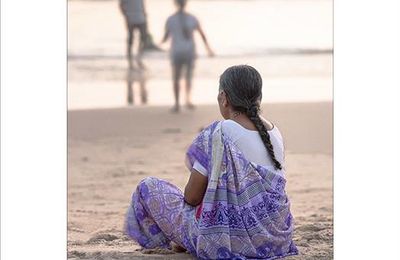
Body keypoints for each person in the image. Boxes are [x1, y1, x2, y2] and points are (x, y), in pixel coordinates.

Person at [125, 65, 298, 259]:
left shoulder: (220, 133)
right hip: (274, 240)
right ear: (259, 97)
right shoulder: (275, 133)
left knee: (147, 187)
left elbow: (191, 197)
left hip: (229, 241)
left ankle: (170, 243)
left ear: (224, 98)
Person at [161, 0, 214, 113]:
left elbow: (165, 37)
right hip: (189, 51)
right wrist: (208, 49)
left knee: (176, 77)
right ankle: (188, 100)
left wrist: (154, 43)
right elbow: (202, 34)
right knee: (188, 77)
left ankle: (176, 104)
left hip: (176, 52)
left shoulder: (171, 19)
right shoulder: (192, 18)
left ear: (175, 4)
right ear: (185, 4)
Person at [119, 0, 147, 69]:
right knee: (131, 38)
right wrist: (125, 15)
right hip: (130, 18)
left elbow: (142, 4)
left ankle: (139, 55)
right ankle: (129, 56)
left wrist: (145, 14)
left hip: (141, 18)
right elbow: (121, 5)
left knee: (143, 38)